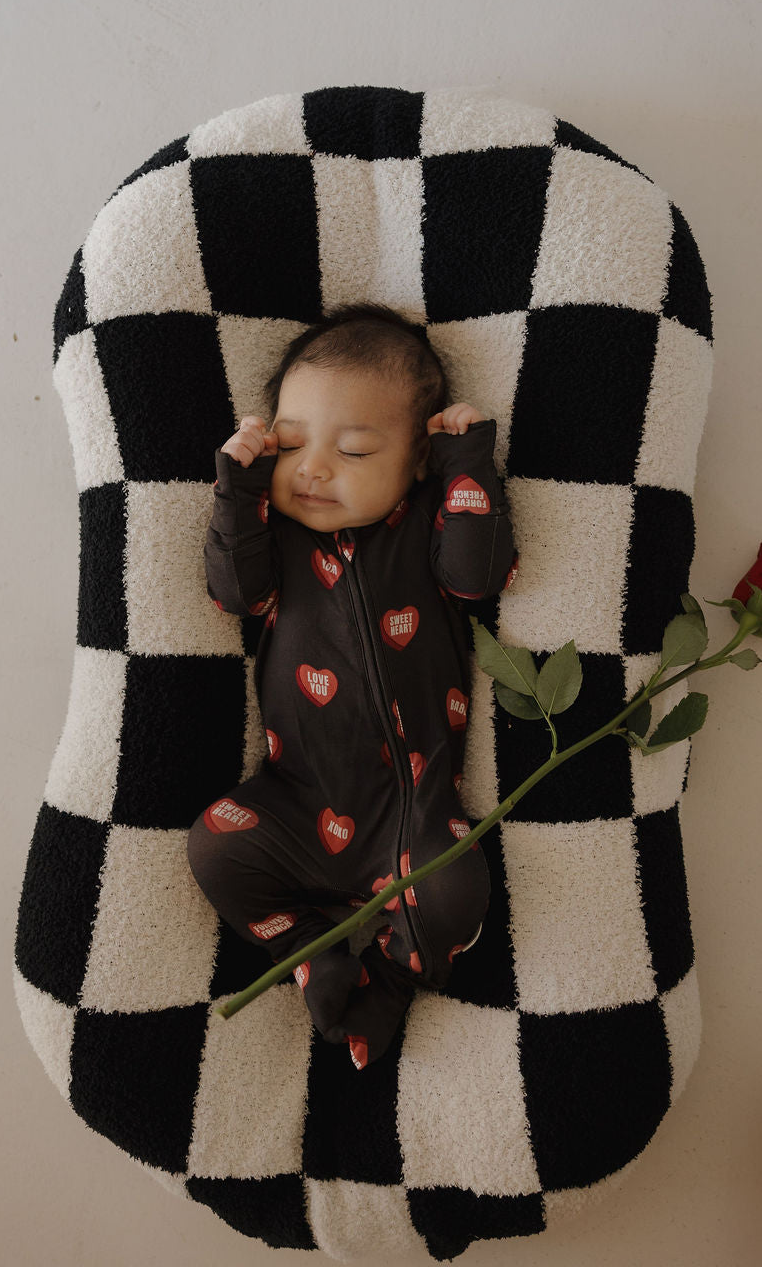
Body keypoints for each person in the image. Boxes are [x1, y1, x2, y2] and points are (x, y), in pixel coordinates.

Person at [187, 303, 517, 1070]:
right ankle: (314, 950)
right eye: (293, 442)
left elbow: (480, 575)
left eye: (358, 449)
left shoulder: (424, 525)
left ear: (413, 463)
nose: (313, 468)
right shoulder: (274, 540)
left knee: (453, 893)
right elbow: (232, 592)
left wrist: (468, 463)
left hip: (414, 811)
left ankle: (394, 982)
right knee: (214, 848)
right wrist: (237, 492)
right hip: (297, 801)